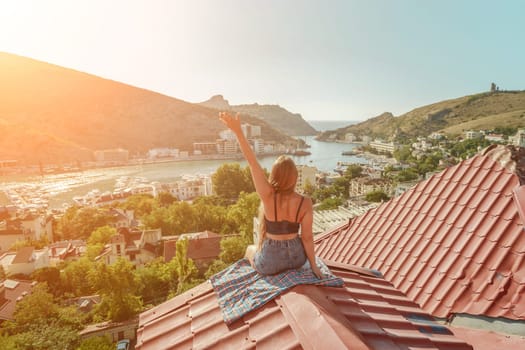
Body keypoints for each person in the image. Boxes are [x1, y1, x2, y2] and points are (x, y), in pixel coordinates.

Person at [219, 112, 323, 278]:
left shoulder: (268, 195)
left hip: (271, 261)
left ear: (274, 175)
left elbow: (253, 163)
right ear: (295, 177)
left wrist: (238, 132)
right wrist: (313, 266)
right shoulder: (306, 202)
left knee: (249, 249)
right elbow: (308, 238)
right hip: (297, 259)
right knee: (258, 249)